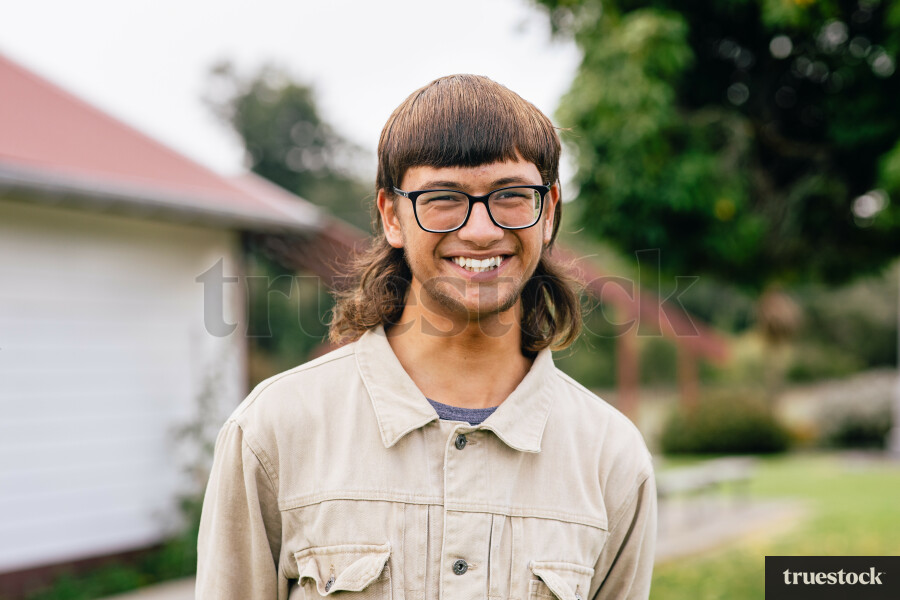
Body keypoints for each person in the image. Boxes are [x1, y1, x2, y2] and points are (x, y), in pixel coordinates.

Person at [197, 74, 657, 600]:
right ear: (392, 216)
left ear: (548, 211)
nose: (481, 230)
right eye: (443, 197)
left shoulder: (613, 458)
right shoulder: (272, 432)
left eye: (511, 194)